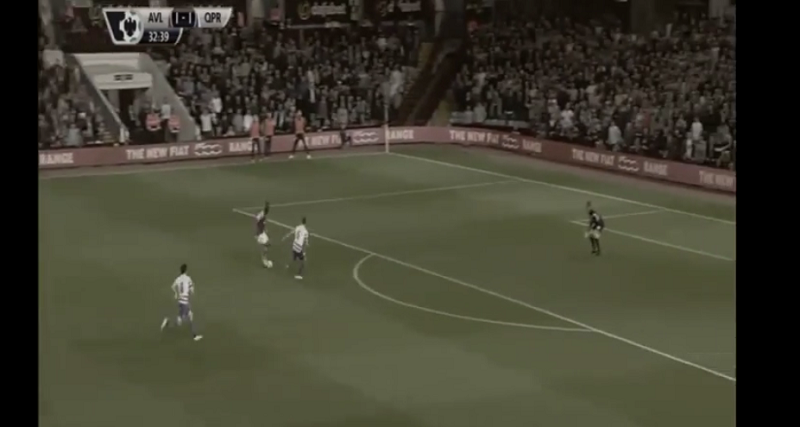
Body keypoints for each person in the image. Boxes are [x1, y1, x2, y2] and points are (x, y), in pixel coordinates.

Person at [160, 263, 203, 341]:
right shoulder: (188, 278)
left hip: (180, 301)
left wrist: (176, 293)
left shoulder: (178, 279)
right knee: (184, 319)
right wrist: (191, 291)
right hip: (185, 302)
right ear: (186, 271)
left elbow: (173, 286)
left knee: (187, 317)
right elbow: (192, 289)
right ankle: (168, 322)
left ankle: (194, 335)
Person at [255, 201, 272, 268]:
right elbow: (257, 223)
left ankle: (265, 259)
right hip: (260, 234)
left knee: (267, 245)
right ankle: (264, 261)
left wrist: (265, 229)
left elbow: (261, 224)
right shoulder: (261, 215)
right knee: (265, 246)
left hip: (262, 233)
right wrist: (256, 234)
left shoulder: (262, 216)